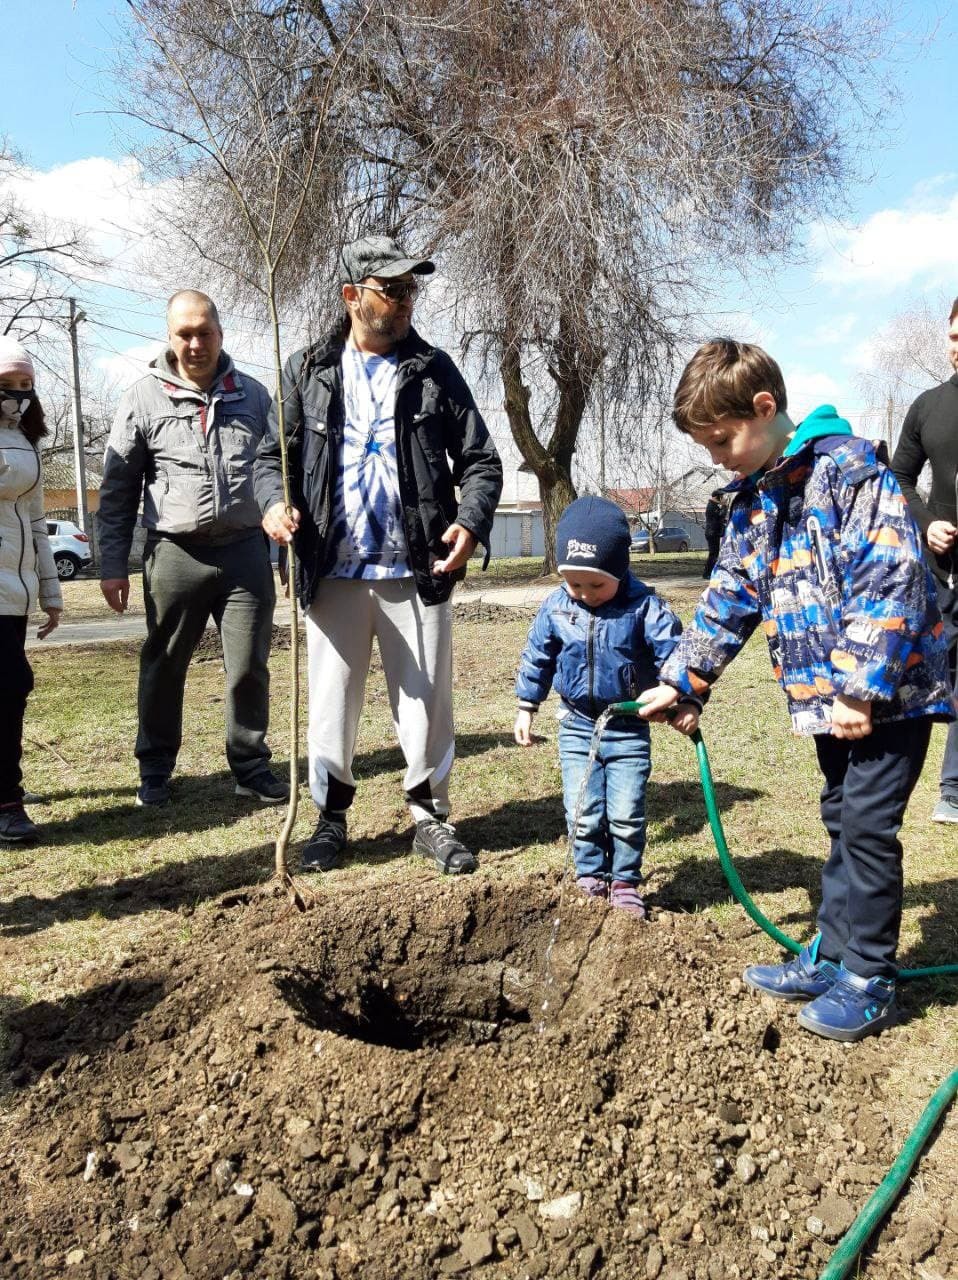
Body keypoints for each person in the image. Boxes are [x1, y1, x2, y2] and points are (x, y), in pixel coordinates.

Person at [639, 339, 953, 1043]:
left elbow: (891, 578)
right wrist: (683, 681)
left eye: (723, 440)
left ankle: (870, 976)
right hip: (830, 706)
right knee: (843, 818)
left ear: (764, 408)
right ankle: (835, 953)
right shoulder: (755, 501)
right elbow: (729, 597)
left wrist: (859, 689)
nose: (718, 457)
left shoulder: (850, 473)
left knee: (869, 829)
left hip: (888, 697)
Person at [256, 234, 502, 875]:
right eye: (391, 289)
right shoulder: (308, 369)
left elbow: (480, 460)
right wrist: (272, 506)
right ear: (352, 296)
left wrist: (470, 525)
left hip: (415, 570)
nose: (404, 300)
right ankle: (329, 818)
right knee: (330, 702)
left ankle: (430, 817)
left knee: (425, 703)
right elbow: (269, 459)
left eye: (409, 289)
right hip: (329, 569)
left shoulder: (433, 369)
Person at [98, 290, 287, 808]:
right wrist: (112, 564)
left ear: (220, 334)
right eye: (185, 333)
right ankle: (155, 768)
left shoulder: (254, 396)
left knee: (249, 664)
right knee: (163, 663)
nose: (195, 343)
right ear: (170, 336)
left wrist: (287, 550)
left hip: (246, 551)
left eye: (205, 332)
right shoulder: (142, 398)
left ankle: (250, 765)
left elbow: (278, 477)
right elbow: (117, 492)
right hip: (174, 554)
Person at [513, 497, 699, 917]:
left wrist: (685, 699)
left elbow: (678, 655)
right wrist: (527, 705)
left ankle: (626, 882)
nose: (585, 595)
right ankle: (590, 875)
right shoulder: (558, 606)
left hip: (628, 728)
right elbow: (537, 656)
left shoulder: (645, 607)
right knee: (583, 811)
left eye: (596, 585)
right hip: (577, 726)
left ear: (620, 569)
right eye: (575, 585)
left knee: (625, 813)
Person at [891, 297, 958, 824]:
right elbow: (900, 478)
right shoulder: (928, 405)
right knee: (932, 677)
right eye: (955, 337)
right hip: (943, 571)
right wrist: (925, 523)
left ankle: (952, 789)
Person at [0, 337, 62, 843]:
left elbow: (37, 522)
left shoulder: (28, 441)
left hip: (15, 593)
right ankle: (6, 801)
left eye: (26, 387)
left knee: (12, 688)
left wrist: (50, 591)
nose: (17, 397)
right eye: (6, 386)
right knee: (6, 687)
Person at [702, 488, 728, 577]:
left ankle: (709, 572)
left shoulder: (713, 506)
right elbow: (720, 516)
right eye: (722, 497)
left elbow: (719, 518)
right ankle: (707, 573)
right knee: (713, 553)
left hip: (713, 532)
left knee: (714, 553)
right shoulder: (711, 506)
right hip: (712, 532)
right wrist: (724, 506)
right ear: (718, 497)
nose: (723, 499)